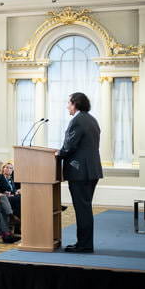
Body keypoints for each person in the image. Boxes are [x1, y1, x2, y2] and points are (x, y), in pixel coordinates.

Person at [56, 92, 102, 253]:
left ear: (75, 103)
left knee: (82, 209)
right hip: (91, 170)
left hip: (80, 172)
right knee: (85, 208)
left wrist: (59, 154)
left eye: (69, 103)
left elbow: (70, 145)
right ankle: (84, 243)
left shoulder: (78, 120)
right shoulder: (91, 119)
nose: (67, 106)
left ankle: (84, 245)